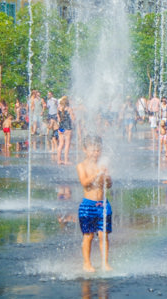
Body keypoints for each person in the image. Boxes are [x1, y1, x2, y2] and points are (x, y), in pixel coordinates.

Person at [76, 137, 112, 272]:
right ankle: (87, 263)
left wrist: (107, 178)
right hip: (88, 205)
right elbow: (84, 183)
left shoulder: (102, 166)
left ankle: (105, 262)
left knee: (104, 235)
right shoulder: (81, 166)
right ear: (85, 150)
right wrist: (97, 174)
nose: (96, 153)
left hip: (103, 204)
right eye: (93, 150)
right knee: (89, 235)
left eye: (98, 150)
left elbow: (109, 185)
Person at [57, 96, 73, 165]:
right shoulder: (69, 109)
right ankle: (66, 160)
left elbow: (58, 119)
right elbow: (73, 118)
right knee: (67, 144)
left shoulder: (58, 108)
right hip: (67, 128)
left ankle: (59, 160)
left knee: (60, 144)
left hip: (61, 128)